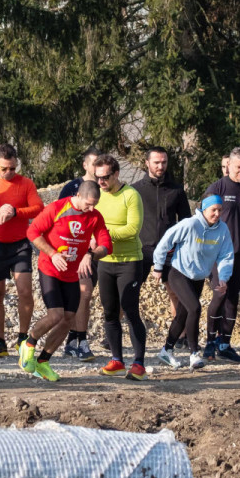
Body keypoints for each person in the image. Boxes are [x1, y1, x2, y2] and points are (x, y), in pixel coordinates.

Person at [19, 181, 112, 382]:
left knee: (69, 318)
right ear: (78, 195)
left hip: (72, 274)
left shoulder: (94, 216)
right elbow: (32, 232)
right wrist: (52, 253)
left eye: (95, 204)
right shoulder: (57, 208)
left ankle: (44, 362)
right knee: (55, 315)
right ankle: (28, 343)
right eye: (88, 203)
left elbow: (106, 245)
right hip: (50, 269)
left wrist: (90, 254)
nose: (91, 208)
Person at [0, 144, 43, 358]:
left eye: (12, 168)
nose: (9, 173)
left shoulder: (26, 184)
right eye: (4, 169)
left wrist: (14, 211)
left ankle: (23, 337)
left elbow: (38, 208)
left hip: (20, 244)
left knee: (25, 290)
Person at [154, 194, 235, 370]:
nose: (217, 214)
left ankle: (166, 350)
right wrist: (158, 267)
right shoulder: (190, 224)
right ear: (204, 209)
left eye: (220, 210)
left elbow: (226, 255)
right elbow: (166, 241)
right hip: (179, 272)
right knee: (195, 308)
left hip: (198, 277)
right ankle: (194, 353)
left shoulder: (222, 230)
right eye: (213, 210)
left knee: (183, 315)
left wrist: (223, 277)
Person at [203, 147, 240, 364]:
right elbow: (202, 220)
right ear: (228, 165)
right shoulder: (217, 188)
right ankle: (210, 342)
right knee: (220, 294)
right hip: (217, 254)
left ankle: (225, 344)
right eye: (238, 167)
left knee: (232, 299)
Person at [94, 155, 148, 379]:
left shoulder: (131, 195)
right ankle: (117, 360)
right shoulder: (98, 196)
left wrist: (103, 235)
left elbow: (132, 229)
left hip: (129, 261)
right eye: (97, 178)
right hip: (105, 262)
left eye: (105, 177)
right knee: (109, 312)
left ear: (116, 174)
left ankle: (139, 363)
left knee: (130, 310)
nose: (101, 182)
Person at [135, 146, 191, 341]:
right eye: (156, 162)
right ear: (147, 163)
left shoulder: (177, 191)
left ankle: (180, 336)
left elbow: (186, 222)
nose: (161, 166)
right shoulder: (135, 190)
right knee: (129, 292)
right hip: (141, 249)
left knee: (175, 292)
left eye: (164, 162)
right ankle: (112, 336)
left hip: (169, 250)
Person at [60, 146, 102, 361]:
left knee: (85, 294)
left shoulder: (105, 187)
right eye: (93, 163)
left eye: (99, 163)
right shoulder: (71, 187)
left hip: (93, 252)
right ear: (85, 164)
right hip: (69, 251)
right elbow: (60, 219)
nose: (96, 167)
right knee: (78, 294)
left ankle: (79, 339)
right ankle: (73, 339)